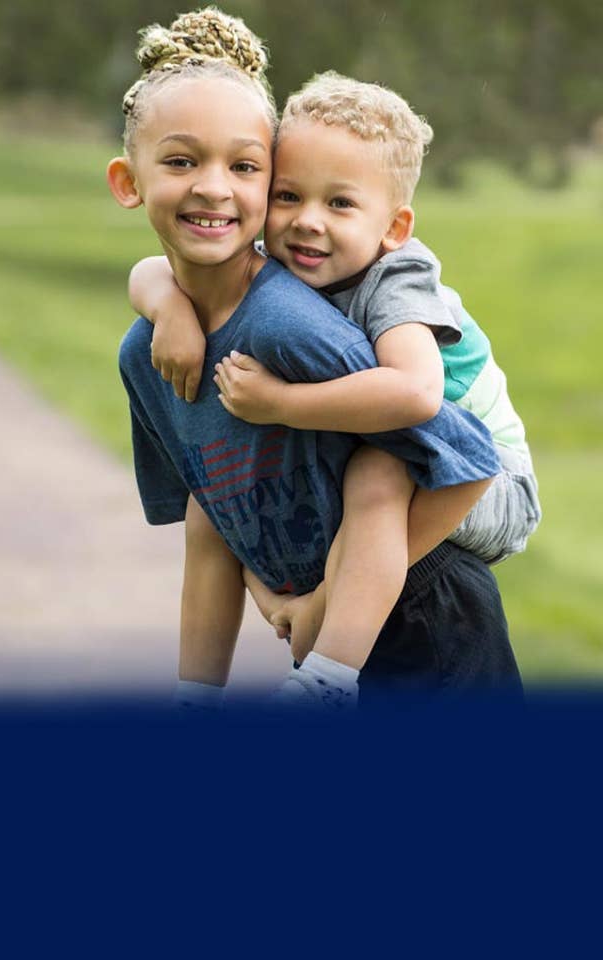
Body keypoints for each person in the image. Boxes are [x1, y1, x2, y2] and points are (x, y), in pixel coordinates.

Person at [108, 7, 519, 713]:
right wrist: (166, 308)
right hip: (392, 556)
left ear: (392, 227)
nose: (306, 221)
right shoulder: (214, 311)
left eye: (241, 166)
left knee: (378, 471)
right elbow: (216, 505)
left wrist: (325, 598)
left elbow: (443, 428)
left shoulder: (376, 296)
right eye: (290, 196)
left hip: (475, 510)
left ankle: (329, 680)